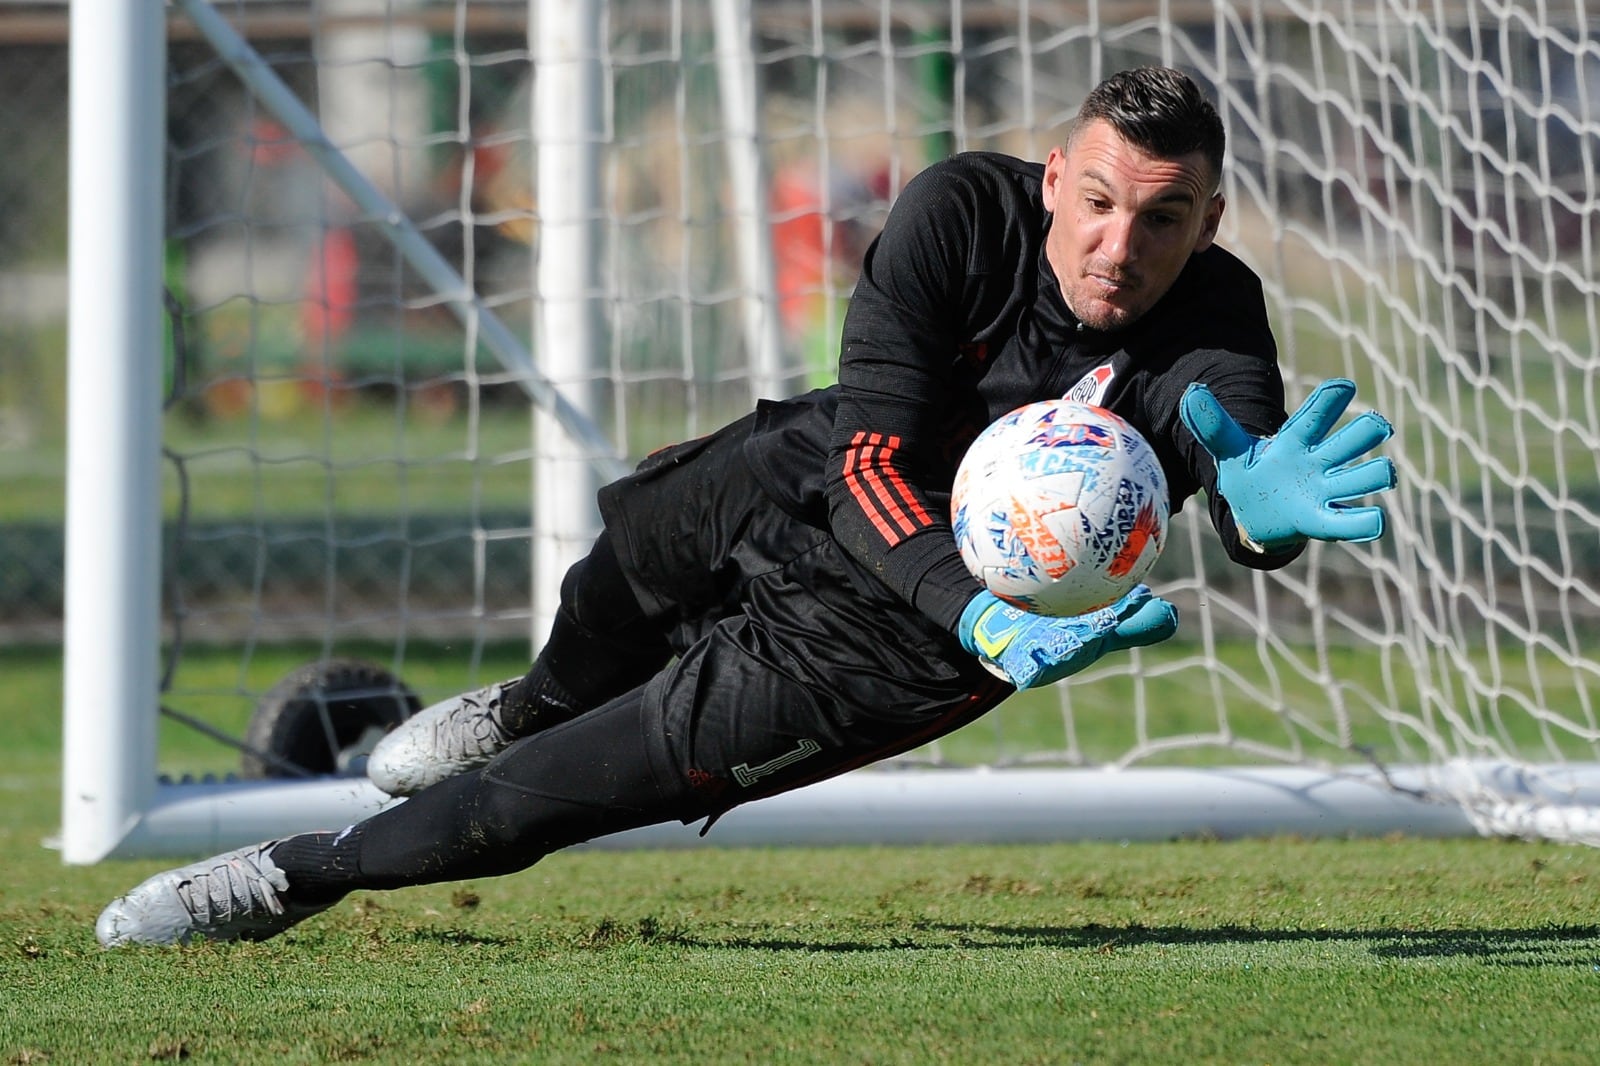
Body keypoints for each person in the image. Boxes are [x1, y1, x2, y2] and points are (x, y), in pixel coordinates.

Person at [96, 67, 1395, 947]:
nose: (1123, 248)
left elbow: (1246, 486)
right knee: (619, 568)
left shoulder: (1218, 319)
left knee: (540, 804)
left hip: (893, 647)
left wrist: (1257, 500)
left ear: (1210, 218)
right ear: (1054, 178)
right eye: (1101, 204)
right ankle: (527, 698)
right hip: (827, 482)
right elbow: (863, 459)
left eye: (1165, 221)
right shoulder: (958, 215)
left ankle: (292, 874)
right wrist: (982, 607)